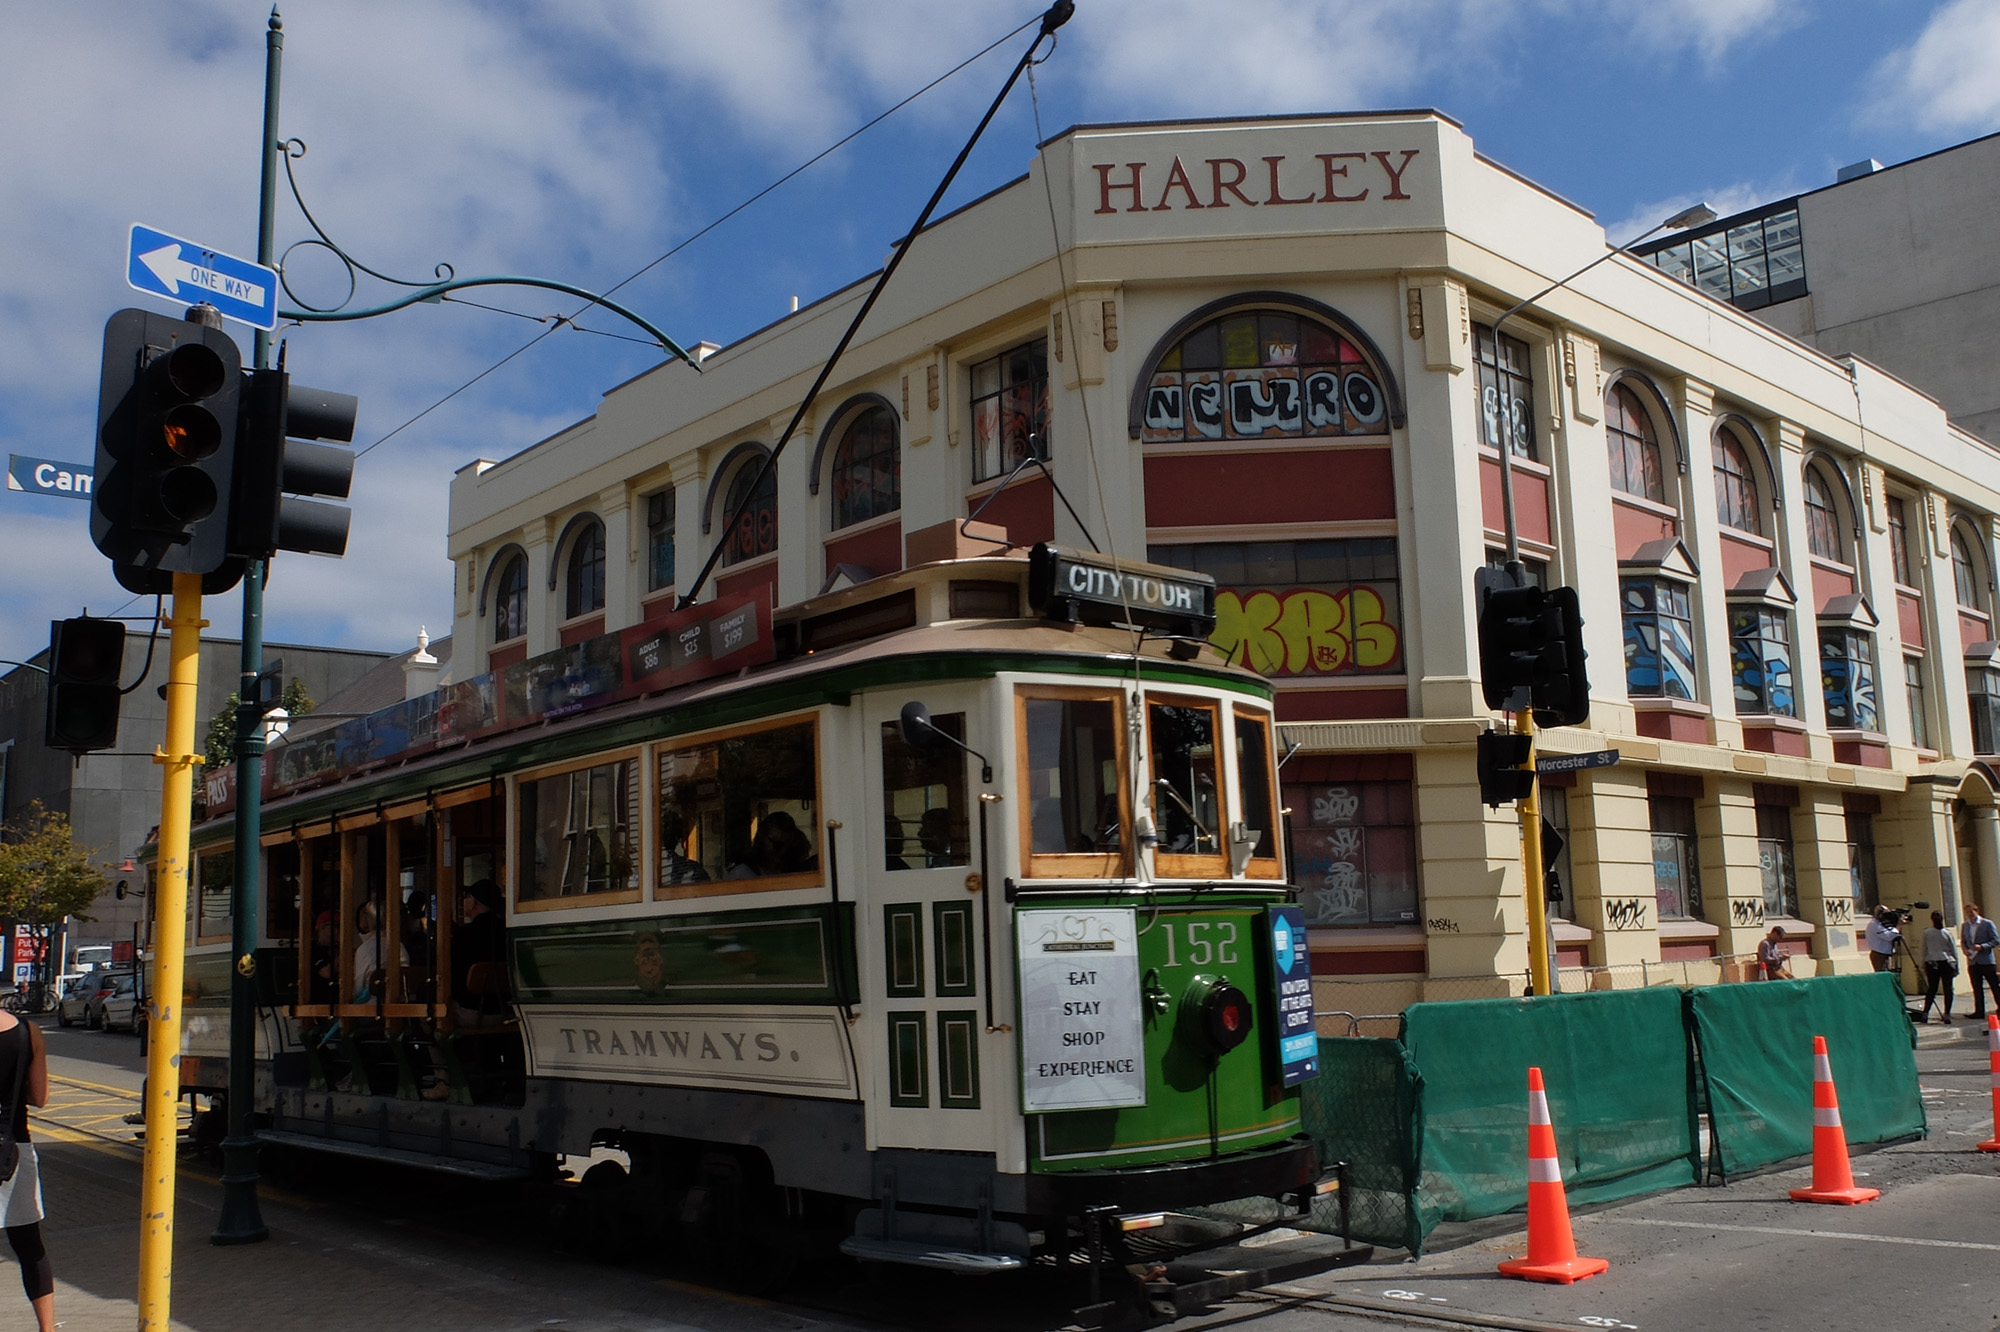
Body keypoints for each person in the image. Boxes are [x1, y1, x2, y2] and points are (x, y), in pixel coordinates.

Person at [0, 1004, 55, 1331]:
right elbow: (40, 1096)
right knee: (29, 1246)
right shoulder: (28, 1031)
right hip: (13, 1150)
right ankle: (46, 1329)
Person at [451, 879, 505, 1024]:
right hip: (505, 1010)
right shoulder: (506, 932)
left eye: (467, 897)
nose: (464, 901)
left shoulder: (464, 935)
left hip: (471, 1010)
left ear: (474, 903)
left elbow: (453, 976)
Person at [351, 900, 408, 1004]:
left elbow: (358, 986)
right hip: (398, 1005)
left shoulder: (365, 949)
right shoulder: (398, 945)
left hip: (371, 1007)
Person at [1920, 909, 1959, 1023]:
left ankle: (1926, 1012)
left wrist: (1923, 963)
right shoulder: (1946, 933)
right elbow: (1953, 950)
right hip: (1945, 961)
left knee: (1932, 989)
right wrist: (1956, 966)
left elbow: (1923, 949)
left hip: (1932, 962)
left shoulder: (1926, 932)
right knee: (1948, 989)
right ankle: (1947, 1014)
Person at [1962, 903, 2000, 1019]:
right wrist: (1964, 950)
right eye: (1968, 912)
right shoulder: (1965, 925)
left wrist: (1982, 946)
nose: (1970, 914)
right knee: (1977, 987)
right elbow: (1963, 941)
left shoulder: (1987, 924)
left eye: (1971, 912)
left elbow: (1995, 940)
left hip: (1986, 960)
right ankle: (1979, 1011)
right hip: (1973, 961)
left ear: (1976, 911)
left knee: (1994, 986)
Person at [307, 910, 337, 1004]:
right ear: (322, 927)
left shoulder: (337, 948)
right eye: (336, 926)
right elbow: (326, 972)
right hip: (321, 1005)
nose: (340, 930)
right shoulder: (311, 950)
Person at [1864, 906, 1901, 973]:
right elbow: (1888, 936)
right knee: (1883, 975)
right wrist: (1899, 925)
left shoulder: (1880, 924)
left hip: (1884, 954)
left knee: (1887, 974)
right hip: (1879, 955)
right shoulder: (1874, 924)